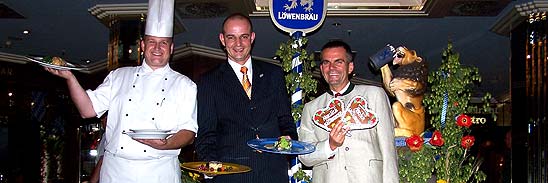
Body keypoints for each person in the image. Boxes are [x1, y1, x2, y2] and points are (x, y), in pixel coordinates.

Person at [44, 0, 198, 182]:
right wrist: (70, 78)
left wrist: (166, 144)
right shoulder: (118, 76)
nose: (157, 48)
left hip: (159, 171)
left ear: (171, 48)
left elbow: (188, 133)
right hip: (115, 171)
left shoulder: (185, 85)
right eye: (152, 42)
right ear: (142, 45)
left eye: (163, 43)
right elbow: (87, 110)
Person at [195, 13, 297, 183]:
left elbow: (285, 119)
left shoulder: (274, 74)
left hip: (272, 172)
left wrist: (287, 136)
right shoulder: (209, 81)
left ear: (252, 37)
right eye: (231, 37)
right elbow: (206, 133)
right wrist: (210, 165)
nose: (238, 44)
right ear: (222, 39)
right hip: (230, 175)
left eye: (244, 37)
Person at [298, 40, 399, 183]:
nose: (331, 68)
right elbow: (305, 156)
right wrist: (330, 145)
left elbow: (388, 148)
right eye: (326, 63)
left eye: (338, 62)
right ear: (321, 69)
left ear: (350, 67)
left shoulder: (374, 95)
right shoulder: (311, 108)